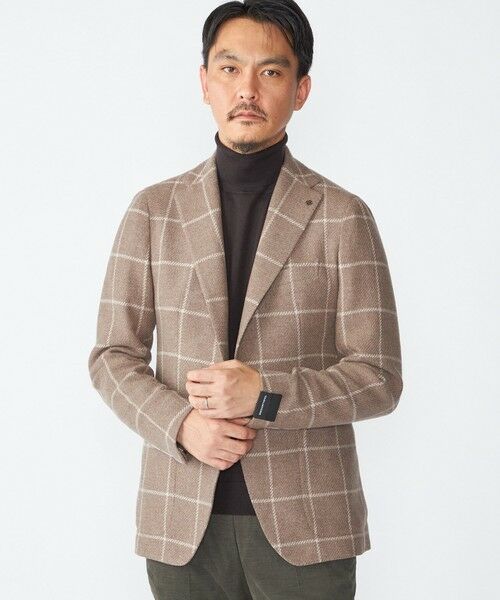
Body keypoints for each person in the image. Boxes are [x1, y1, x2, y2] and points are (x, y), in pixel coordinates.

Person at [88, 1, 403, 598]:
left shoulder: (343, 216)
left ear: (301, 89)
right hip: (181, 520)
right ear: (204, 81)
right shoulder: (153, 211)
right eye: (229, 68)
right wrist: (181, 424)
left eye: (272, 71)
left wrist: (265, 398)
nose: (247, 90)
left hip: (308, 524)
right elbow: (112, 356)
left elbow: (380, 378)